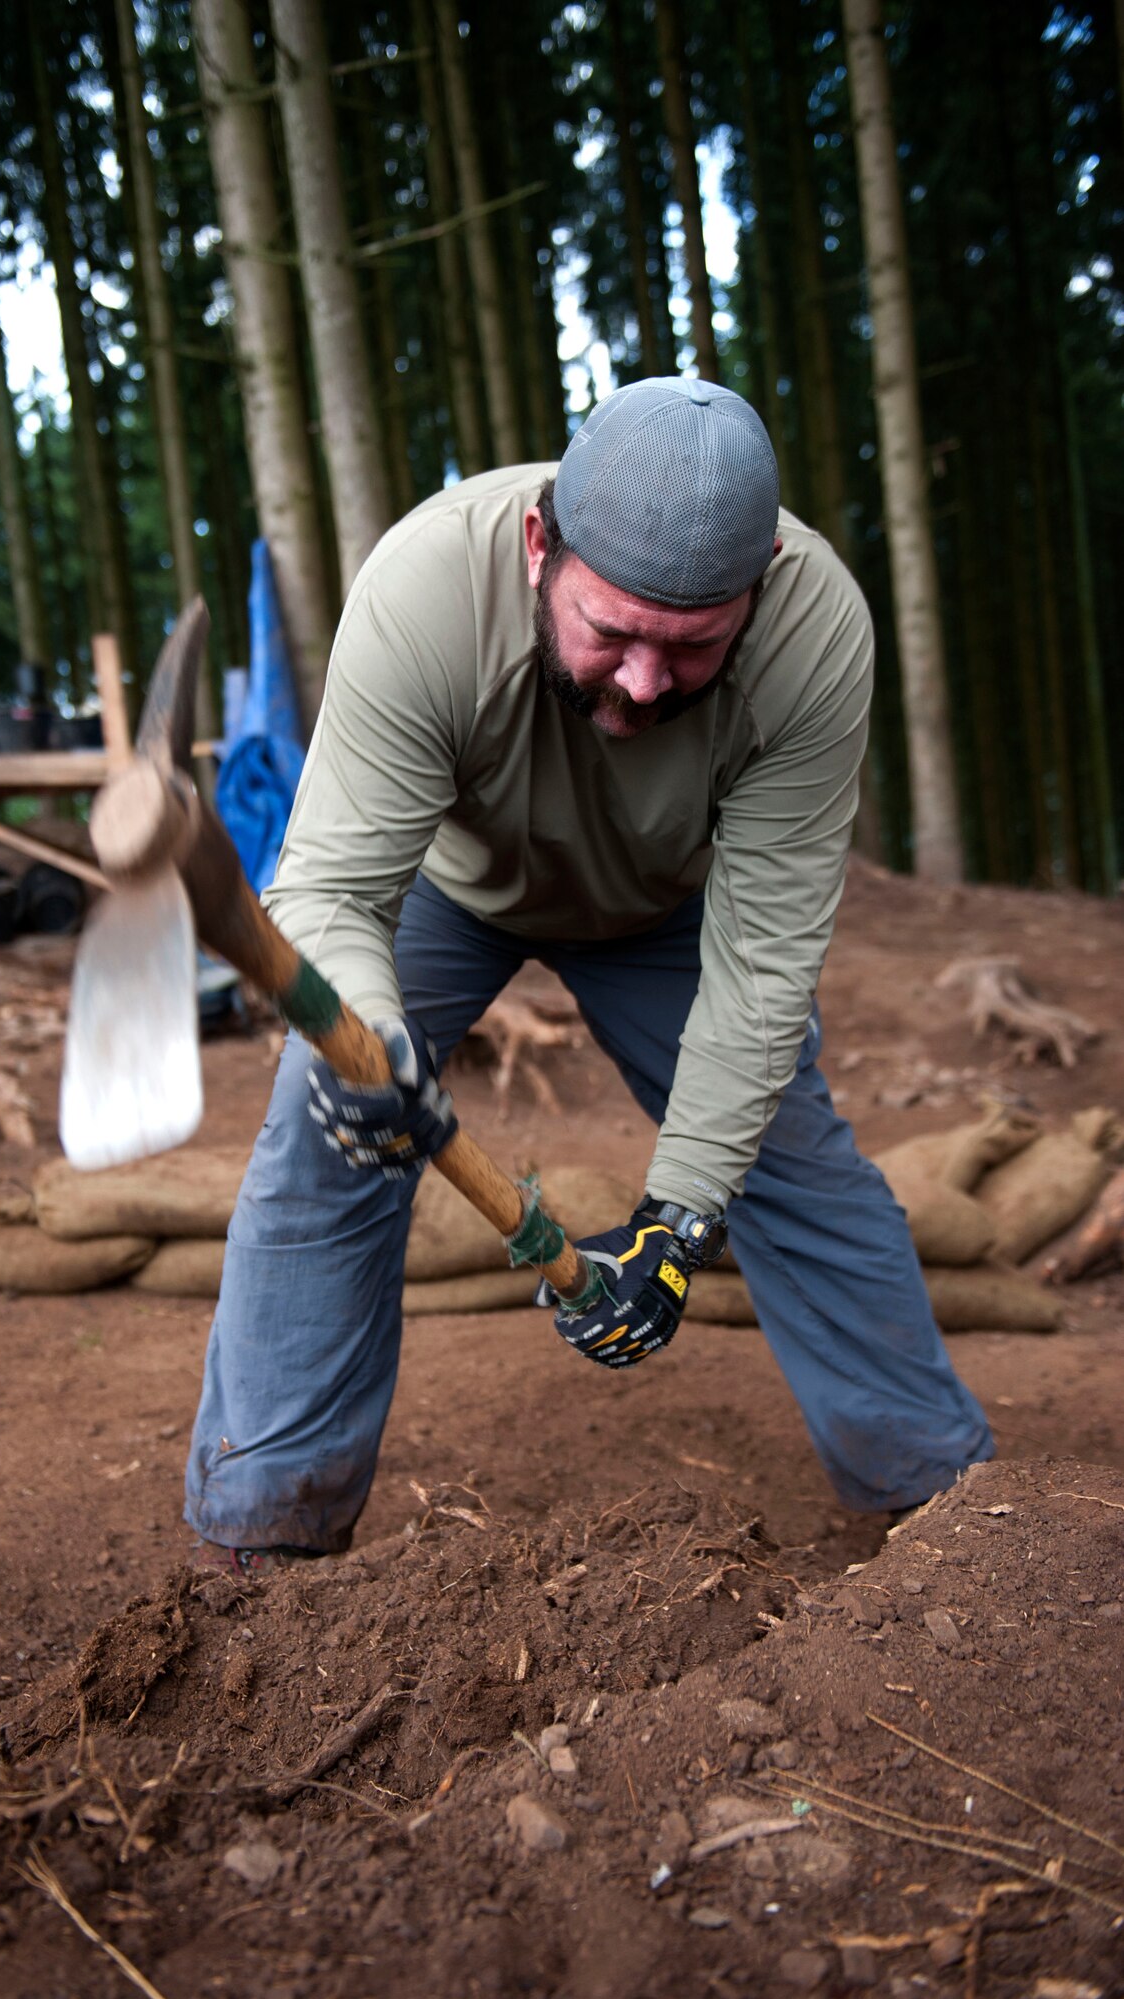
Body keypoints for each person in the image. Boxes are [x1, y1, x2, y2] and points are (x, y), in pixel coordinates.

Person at [185, 376, 993, 1566]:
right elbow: (331, 887)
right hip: (444, 884)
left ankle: (941, 1505)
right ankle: (265, 1523)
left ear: (757, 582)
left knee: (785, 1158)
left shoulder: (816, 633)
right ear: (535, 544)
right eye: (609, 632)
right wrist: (367, 1033)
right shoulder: (424, 587)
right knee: (325, 1140)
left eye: (690, 646)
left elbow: (763, 963)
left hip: (667, 904)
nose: (644, 681)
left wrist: (674, 1221)